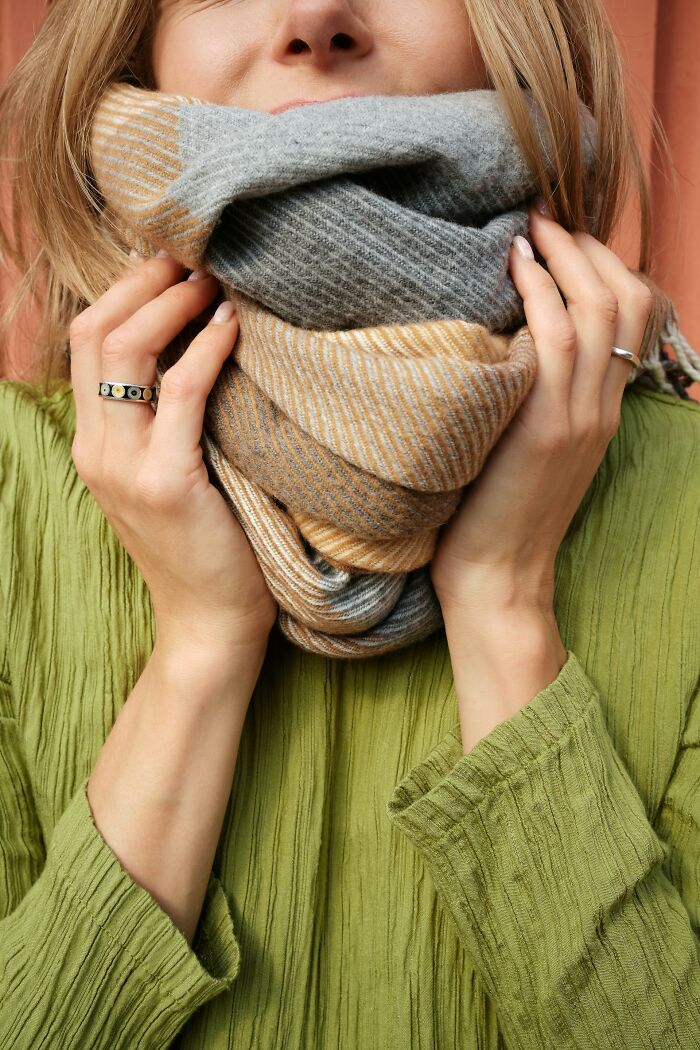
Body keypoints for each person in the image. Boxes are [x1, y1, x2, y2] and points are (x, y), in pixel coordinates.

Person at [1, 0, 699, 1047]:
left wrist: (500, 600)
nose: (315, 19)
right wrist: (199, 648)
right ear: (136, 40)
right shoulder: (12, 488)